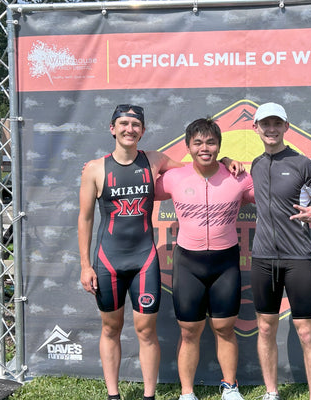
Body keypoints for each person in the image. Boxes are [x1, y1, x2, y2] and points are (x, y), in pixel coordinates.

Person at [78, 105, 242, 400]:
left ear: (143, 130)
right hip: (107, 260)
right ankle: (112, 395)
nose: (130, 129)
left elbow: (196, 165)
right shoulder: (94, 169)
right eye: (123, 123)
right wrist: (84, 265)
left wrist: (226, 160)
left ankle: (149, 395)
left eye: (135, 124)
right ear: (112, 128)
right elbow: (85, 218)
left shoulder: (155, 161)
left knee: (145, 330)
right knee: (110, 327)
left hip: (144, 259)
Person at [155, 118, 254, 400]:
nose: (204, 148)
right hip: (188, 264)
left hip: (225, 264)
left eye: (211, 142)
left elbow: (272, 193)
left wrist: (227, 160)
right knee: (189, 332)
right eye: (197, 142)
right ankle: (187, 393)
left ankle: (230, 387)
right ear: (187, 147)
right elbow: (139, 180)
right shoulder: (175, 177)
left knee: (225, 328)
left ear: (219, 145)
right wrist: (97, 172)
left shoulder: (238, 177)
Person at [250, 102, 311, 400]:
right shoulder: (255, 165)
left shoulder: (303, 164)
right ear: (256, 128)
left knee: (306, 331)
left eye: (277, 123)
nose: (271, 129)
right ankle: (271, 392)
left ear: (286, 127)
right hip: (262, 259)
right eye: (265, 124)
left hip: (297, 258)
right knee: (265, 328)